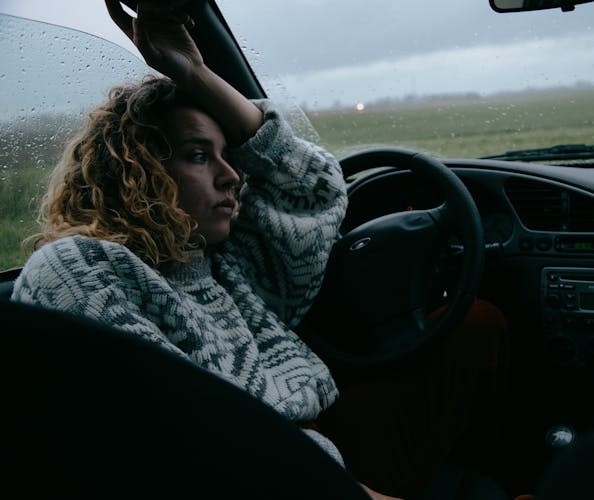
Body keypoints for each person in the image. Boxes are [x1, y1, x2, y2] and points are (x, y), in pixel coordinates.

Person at [11, 2, 509, 498]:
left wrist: (199, 74)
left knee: (477, 323)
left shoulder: (223, 264)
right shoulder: (80, 270)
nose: (232, 177)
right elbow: (187, 447)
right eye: (200, 155)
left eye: (229, 157)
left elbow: (312, 189)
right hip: (267, 471)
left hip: (307, 448)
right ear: (135, 172)